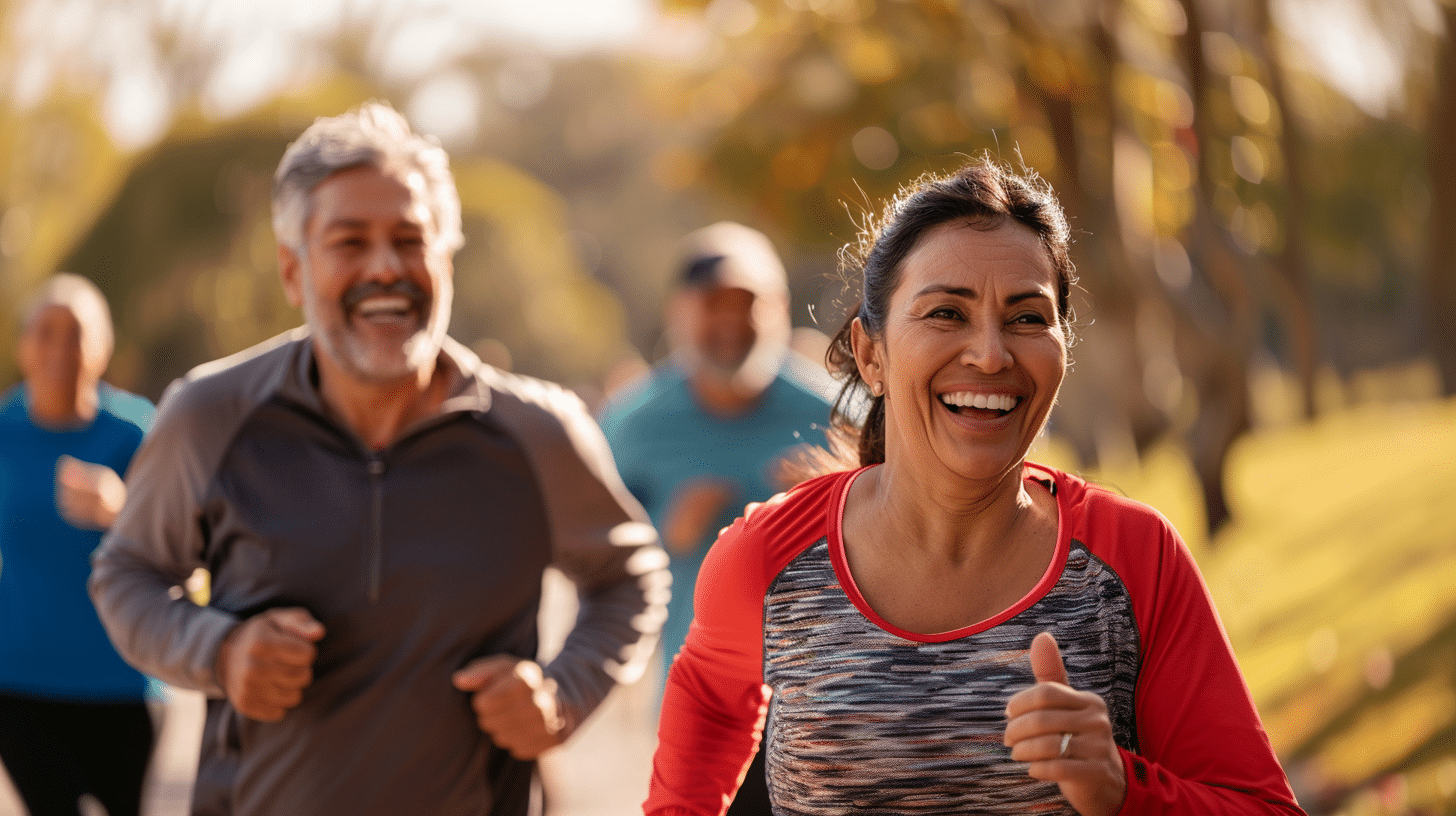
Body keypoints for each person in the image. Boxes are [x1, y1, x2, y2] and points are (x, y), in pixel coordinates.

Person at [644, 158, 1305, 816]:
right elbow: (704, 707)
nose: (991, 354)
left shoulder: (1135, 557)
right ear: (872, 354)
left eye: (1025, 318)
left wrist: (1123, 789)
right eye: (946, 313)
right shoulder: (768, 557)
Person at [89, 102, 669, 816]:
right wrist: (220, 651)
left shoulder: (539, 432)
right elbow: (127, 574)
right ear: (293, 272)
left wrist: (563, 693)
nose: (386, 268)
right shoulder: (209, 416)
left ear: (445, 260)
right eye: (350, 242)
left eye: (409, 239)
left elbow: (629, 572)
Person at [597, 222, 833, 815]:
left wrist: (832, 500)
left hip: (827, 703)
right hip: (702, 708)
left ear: (779, 311)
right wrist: (664, 534)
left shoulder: (835, 415)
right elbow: (591, 560)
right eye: (712, 304)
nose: (730, 322)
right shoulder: (631, 422)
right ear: (679, 314)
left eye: (747, 304)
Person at [0, 273, 156, 816]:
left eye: (77, 333)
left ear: (103, 347)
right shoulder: (3, 431)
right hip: (20, 684)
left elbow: (181, 545)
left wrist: (121, 510)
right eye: (46, 332)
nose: (61, 349)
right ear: (22, 345)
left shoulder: (136, 432)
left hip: (120, 683)